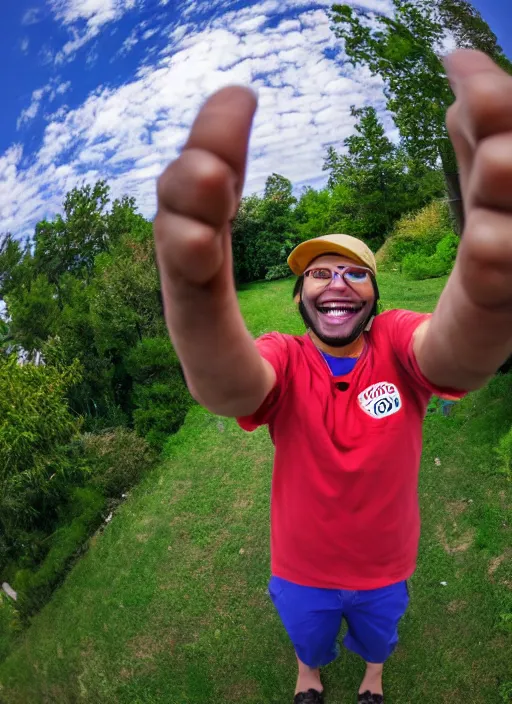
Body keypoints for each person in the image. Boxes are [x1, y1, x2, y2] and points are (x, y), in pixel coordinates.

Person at [153, 50, 512, 703]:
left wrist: (487, 298)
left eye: (353, 271)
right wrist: (201, 313)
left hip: (386, 568)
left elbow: (451, 354)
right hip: (301, 571)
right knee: (311, 639)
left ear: (374, 294)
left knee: (379, 637)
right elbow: (237, 383)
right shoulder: (284, 357)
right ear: (298, 299)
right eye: (318, 272)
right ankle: (309, 672)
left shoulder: (399, 341)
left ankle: (373, 676)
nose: (336, 282)